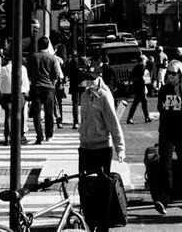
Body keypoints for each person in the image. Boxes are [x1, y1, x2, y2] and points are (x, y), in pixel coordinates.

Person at [77, 62, 125, 230]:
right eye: (87, 79)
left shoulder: (104, 96)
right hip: (85, 148)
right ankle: (89, 223)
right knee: (84, 188)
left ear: (99, 78)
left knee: (102, 191)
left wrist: (120, 147)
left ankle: (102, 226)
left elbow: (113, 124)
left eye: (92, 79)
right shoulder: (84, 96)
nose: (89, 83)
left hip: (102, 148)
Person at [153, 58, 182, 215]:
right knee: (165, 166)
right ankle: (163, 200)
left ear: (180, 74)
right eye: (168, 72)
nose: (170, 76)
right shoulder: (164, 90)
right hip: (166, 132)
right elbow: (161, 109)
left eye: (174, 73)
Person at [28, 36, 59, 144]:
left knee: (36, 112)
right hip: (48, 87)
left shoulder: (33, 57)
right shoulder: (52, 58)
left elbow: (29, 74)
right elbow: (56, 74)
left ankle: (39, 136)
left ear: (39, 45)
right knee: (49, 112)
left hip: (36, 86)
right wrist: (52, 84)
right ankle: (49, 135)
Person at [0, 54, 30, 145]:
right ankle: (20, 136)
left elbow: (0, 83)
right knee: (20, 114)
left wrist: (2, 91)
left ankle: (7, 136)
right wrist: (26, 91)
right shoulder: (22, 68)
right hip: (20, 94)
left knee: (8, 115)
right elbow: (25, 82)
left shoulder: (4, 69)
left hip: (7, 94)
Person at [126, 53, 151, 124]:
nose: (146, 61)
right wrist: (146, 86)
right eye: (145, 60)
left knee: (144, 102)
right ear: (143, 60)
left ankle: (147, 117)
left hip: (136, 86)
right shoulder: (143, 67)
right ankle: (130, 118)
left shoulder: (135, 67)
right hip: (141, 86)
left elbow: (130, 78)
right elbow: (145, 79)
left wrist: (127, 87)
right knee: (136, 102)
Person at [64, 50, 83, 128]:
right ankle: (84, 121)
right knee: (84, 103)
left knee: (75, 103)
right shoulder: (82, 60)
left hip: (74, 84)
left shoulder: (70, 62)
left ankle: (75, 122)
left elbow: (67, 72)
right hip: (82, 84)